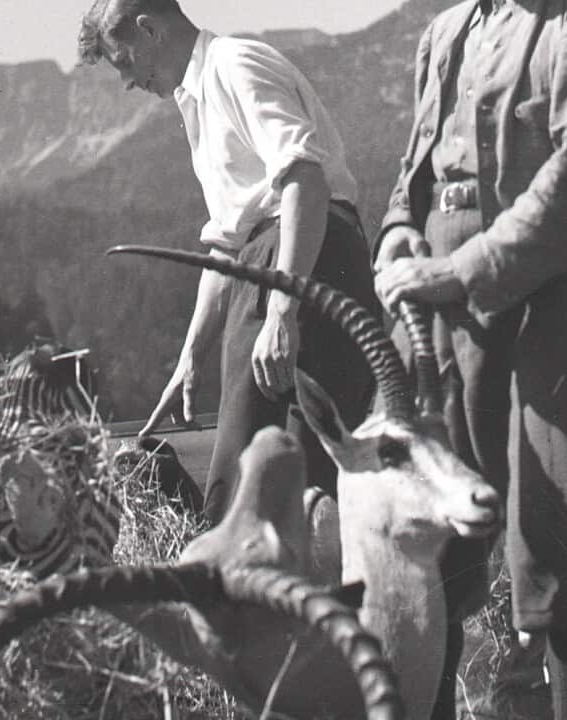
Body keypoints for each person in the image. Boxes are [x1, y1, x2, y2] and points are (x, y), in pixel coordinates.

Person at [372, 0, 567, 717]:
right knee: (434, 542)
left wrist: (461, 268)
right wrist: (398, 232)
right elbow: (418, 169)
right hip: (446, 321)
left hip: (561, 314)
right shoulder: (446, 32)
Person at [77, 0, 377, 524]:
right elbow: (225, 245)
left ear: (148, 29)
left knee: (275, 491)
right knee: (269, 490)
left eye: (123, 61)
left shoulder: (233, 65)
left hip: (302, 261)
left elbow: (304, 178)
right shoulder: (195, 100)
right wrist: (192, 356)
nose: (127, 82)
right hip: (276, 266)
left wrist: (284, 309)